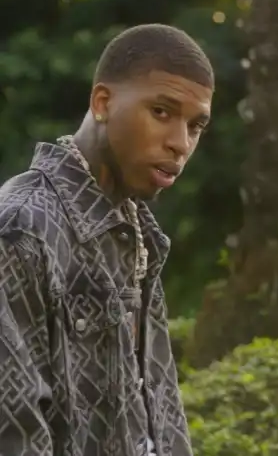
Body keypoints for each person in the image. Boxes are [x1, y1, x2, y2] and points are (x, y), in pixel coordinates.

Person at [0, 24, 213, 456]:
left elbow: (161, 416)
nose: (180, 144)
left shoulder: (138, 232)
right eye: (161, 112)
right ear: (103, 103)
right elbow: (14, 434)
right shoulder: (21, 229)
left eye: (195, 126)